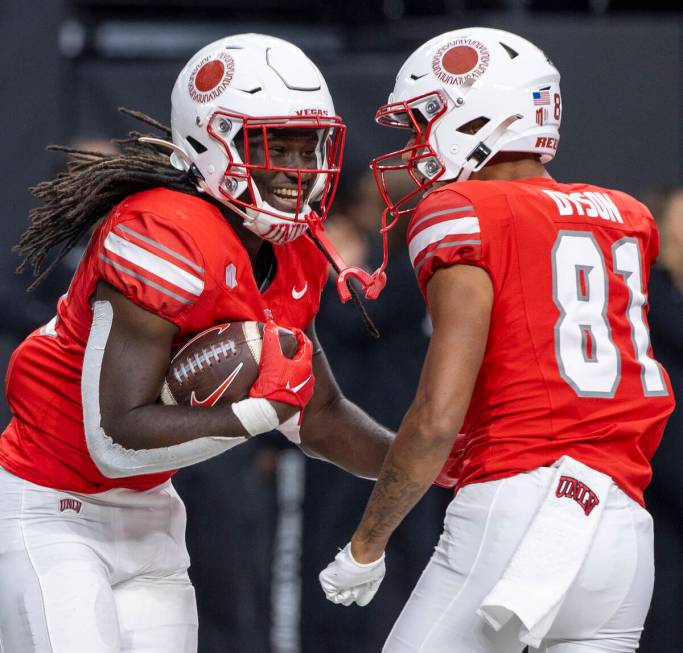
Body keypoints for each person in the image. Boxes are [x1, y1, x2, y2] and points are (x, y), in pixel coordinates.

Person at [0, 33, 393, 653]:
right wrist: (261, 411)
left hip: (154, 516)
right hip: (55, 509)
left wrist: (427, 465)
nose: (298, 169)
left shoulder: (297, 251)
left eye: (309, 145)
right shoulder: (164, 231)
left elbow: (317, 416)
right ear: (214, 143)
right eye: (275, 146)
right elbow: (113, 441)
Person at [319, 27, 675, 653]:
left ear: (477, 115)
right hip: (621, 526)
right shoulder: (626, 214)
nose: (414, 142)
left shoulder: (465, 211)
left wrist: (366, 544)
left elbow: (435, 418)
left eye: (423, 120)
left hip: (516, 509)